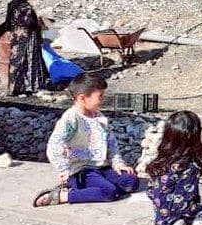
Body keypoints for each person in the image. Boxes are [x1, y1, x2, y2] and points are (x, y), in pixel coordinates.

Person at [32, 72, 138, 207]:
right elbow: (55, 145)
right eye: (100, 96)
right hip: (82, 170)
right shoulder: (71, 119)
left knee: (131, 181)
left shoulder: (99, 117)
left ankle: (93, 189)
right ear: (83, 98)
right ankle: (63, 196)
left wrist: (118, 163)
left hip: (102, 167)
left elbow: (111, 143)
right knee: (109, 192)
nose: (103, 99)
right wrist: (63, 169)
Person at [3, 0, 50, 95]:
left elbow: (9, 23)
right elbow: (31, 23)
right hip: (29, 38)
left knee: (16, 62)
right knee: (31, 60)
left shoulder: (12, 6)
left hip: (16, 37)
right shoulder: (26, 8)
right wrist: (40, 24)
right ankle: (33, 86)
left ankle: (15, 87)